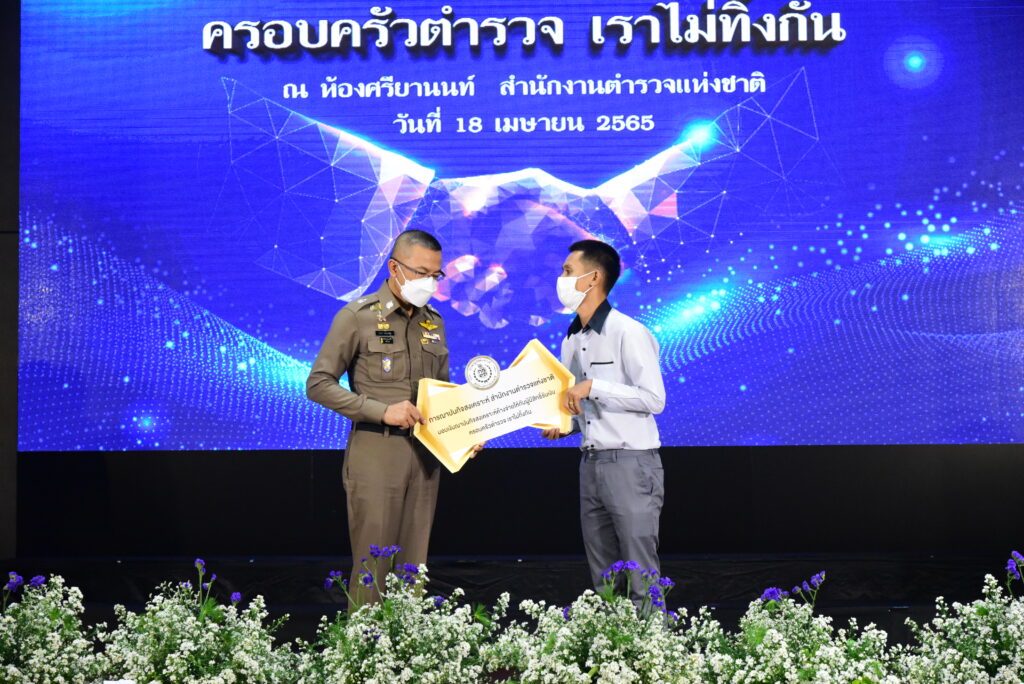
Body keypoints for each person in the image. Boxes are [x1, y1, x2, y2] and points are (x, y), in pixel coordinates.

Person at [306, 229, 482, 606]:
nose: (429, 282)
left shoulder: (434, 321)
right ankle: (365, 644)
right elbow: (318, 384)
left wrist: (463, 432)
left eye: (436, 275)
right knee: (373, 569)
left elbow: (442, 394)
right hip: (377, 452)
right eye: (421, 272)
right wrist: (382, 411)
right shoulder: (357, 316)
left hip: (425, 457)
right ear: (394, 268)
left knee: (412, 571)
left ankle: (406, 642)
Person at [542, 239, 666, 604]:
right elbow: (580, 405)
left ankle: (653, 640)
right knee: (605, 576)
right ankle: (614, 639)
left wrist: (594, 387)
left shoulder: (628, 331)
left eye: (568, 271)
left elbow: (653, 399)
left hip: (631, 462)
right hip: (591, 462)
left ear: (593, 278)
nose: (561, 279)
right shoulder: (571, 338)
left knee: (640, 571)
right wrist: (566, 424)